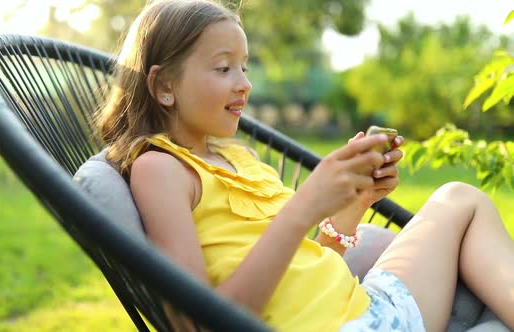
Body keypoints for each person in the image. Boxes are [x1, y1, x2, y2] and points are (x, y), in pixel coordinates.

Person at [95, 0, 514, 331]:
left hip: (363, 309)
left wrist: (354, 201)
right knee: (460, 199)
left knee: (458, 200)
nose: (244, 82)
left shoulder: (241, 157)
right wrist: (305, 207)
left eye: (243, 66)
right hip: (351, 326)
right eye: (223, 68)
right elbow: (199, 320)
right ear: (164, 86)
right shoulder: (161, 169)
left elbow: (308, 264)